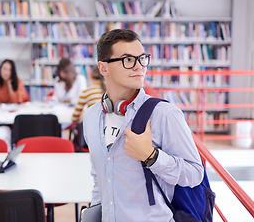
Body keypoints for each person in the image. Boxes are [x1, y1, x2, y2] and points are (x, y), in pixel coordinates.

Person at [83, 29, 203, 221]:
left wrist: (152, 156)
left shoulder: (164, 114)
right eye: (128, 60)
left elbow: (195, 174)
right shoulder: (91, 117)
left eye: (142, 58)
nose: (139, 67)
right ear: (103, 68)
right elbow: (100, 178)